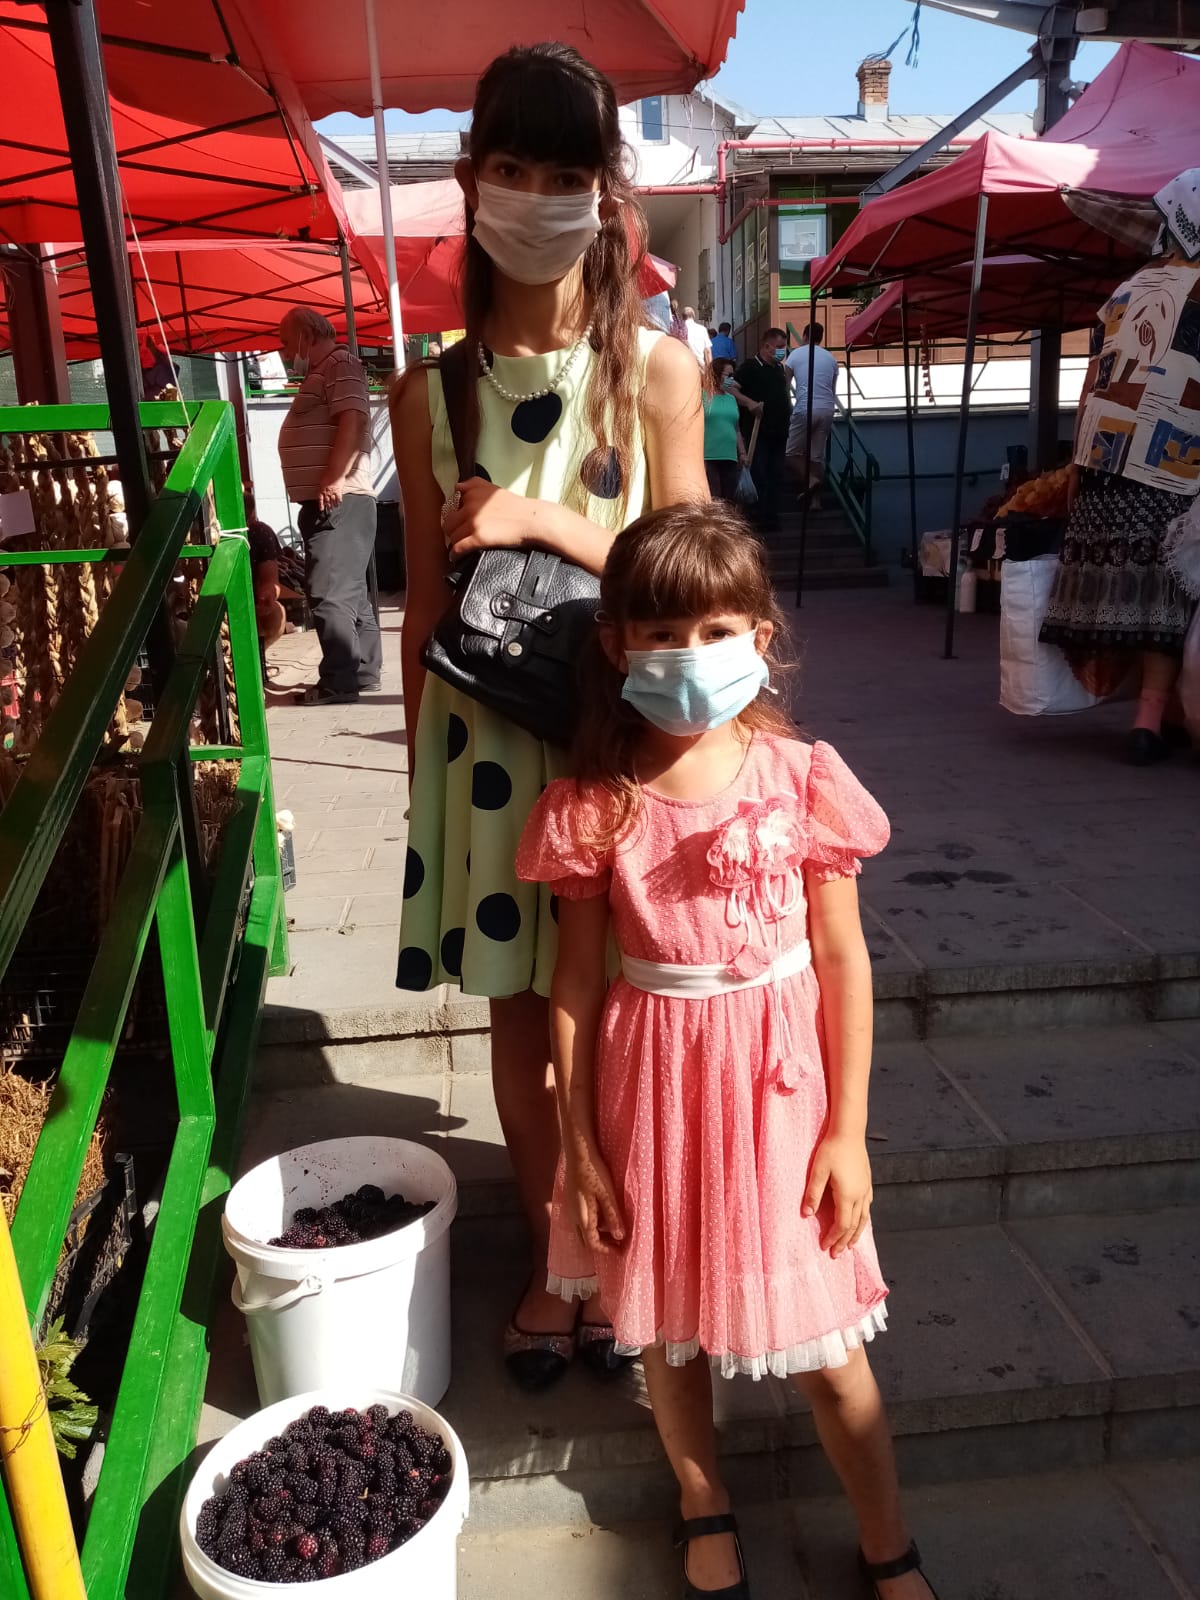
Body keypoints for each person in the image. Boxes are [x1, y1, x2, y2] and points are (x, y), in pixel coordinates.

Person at [517, 503, 938, 1600]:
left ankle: (887, 1537)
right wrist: (580, 1144)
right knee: (666, 1328)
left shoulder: (804, 781)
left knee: (831, 1349)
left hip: (780, 1102)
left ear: (761, 633)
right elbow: (574, 982)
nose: (689, 655)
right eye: (660, 633)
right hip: (649, 1090)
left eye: (713, 629)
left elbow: (842, 960)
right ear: (617, 645)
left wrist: (848, 1131)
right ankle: (702, 1499)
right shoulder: (594, 804)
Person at [389, 43, 707, 1391]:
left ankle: (635, 1256)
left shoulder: (659, 373)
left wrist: (542, 520)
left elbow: (701, 579)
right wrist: (417, 775)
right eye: (510, 167)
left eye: (562, 171)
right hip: (486, 758)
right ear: (471, 181)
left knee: (630, 1020)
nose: (533, 195)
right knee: (522, 1029)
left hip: (626, 753)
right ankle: (558, 1258)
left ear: (605, 190)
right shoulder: (429, 392)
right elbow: (422, 604)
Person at [1039, 168, 1200, 766]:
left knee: (1130, 595)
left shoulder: (1127, 290)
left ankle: (1165, 715)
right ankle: (1150, 721)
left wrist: (1078, 464)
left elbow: (1092, 382)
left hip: (1104, 463)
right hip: (1174, 467)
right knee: (1168, 599)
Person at [277, 306, 381, 706]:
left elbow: (353, 419)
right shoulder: (325, 370)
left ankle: (338, 682)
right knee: (348, 591)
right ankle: (363, 671)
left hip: (340, 497)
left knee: (328, 591)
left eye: (287, 341)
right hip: (334, 499)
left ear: (307, 335)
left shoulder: (340, 363)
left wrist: (334, 476)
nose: (285, 351)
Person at [733, 328, 791, 532]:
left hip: (779, 431)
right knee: (760, 473)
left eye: (784, 347)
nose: (782, 351)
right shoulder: (749, 367)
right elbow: (730, 386)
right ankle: (757, 516)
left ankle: (772, 516)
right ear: (767, 346)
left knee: (776, 474)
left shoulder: (779, 369)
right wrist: (749, 403)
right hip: (758, 432)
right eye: (779, 347)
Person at [786, 322, 840, 500]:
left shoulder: (795, 354)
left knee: (791, 454)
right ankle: (815, 501)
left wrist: (788, 407)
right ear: (821, 338)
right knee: (815, 457)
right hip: (827, 409)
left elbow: (785, 385)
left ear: (804, 336)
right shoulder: (831, 358)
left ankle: (811, 480)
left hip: (805, 408)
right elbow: (832, 389)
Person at [703, 357, 755, 502]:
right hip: (708, 456)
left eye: (733, 375)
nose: (731, 379)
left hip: (730, 456)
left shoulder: (731, 399)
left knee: (729, 499)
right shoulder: (702, 396)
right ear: (716, 374)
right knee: (714, 497)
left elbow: (736, 428)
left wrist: (742, 453)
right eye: (728, 375)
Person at [243, 486, 286, 649]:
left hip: (251, 601)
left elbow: (271, 580)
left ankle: (259, 653)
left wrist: (268, 594)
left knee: (276, 614)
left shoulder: (260, 532)